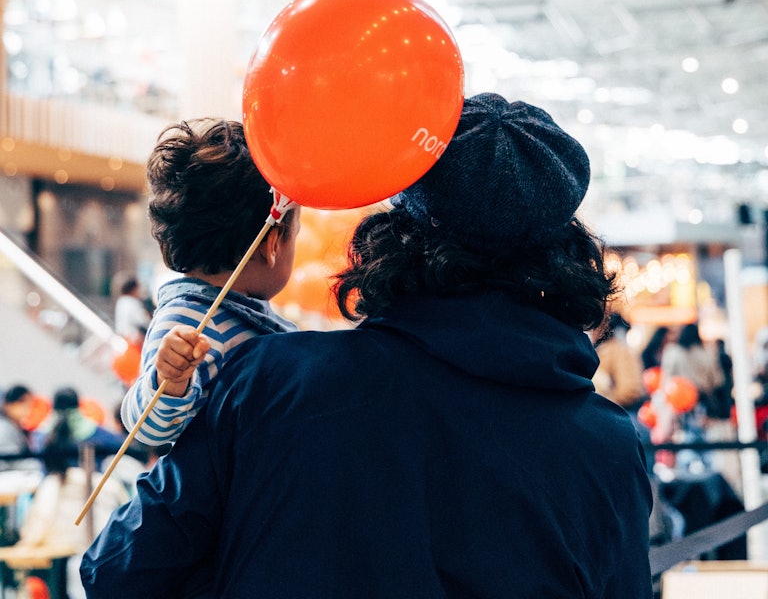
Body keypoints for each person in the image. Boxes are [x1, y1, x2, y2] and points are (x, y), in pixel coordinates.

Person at [81, 94, 653, 598]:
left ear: (398, 230)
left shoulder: (271, 381)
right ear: (565, 251)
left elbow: (117, 569)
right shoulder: (609, 449)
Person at [120, 118, 301, 446]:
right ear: (272, 245)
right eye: (295, 236)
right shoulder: (189, 320)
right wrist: (168, 380)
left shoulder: (245, 311)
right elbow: (143, 428)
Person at [13, 401, 129, 599]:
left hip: (74, 555)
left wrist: (24, 544)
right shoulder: (104, 483)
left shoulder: (52, 485)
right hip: (106, 552)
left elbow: (39, 523)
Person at [593, 312, 646, 413]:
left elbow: (629, 389)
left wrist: (608, 401)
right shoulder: (606, 349)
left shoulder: (619, 350)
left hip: (616, 411)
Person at [0, 384, 38, 471]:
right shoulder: (3, 428)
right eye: (22, 403)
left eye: (29, 405)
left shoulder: (16, 426)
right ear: (8, 405)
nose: (27, 409)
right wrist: (35, 465)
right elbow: (10, 459)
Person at [113, 277, 152, 345]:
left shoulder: (121, 301)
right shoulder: (133, 302)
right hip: (133, 339)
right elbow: (144, 320)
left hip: (121, 337)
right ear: (134, 289)